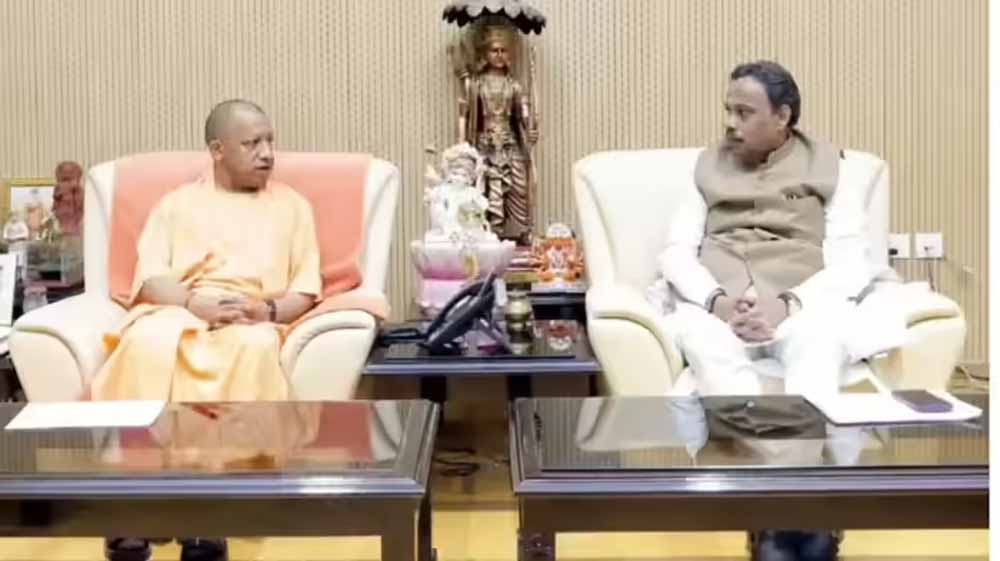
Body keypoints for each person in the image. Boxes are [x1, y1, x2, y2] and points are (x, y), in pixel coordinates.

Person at [656, 60, 869, 561]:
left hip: (798, 301)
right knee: (706, 347)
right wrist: (716, 301)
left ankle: (780, 517)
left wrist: (788, 304)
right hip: (720, 304)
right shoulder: (705, 166)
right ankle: (798, 513)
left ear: (783, 116)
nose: (730, 123)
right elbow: (676, 252)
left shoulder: (833, 166)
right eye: (728, 110)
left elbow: (851, 261)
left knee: (820, 344)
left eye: (744, 112)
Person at [96, 99, 321, 561]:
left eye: (270, 141)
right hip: (182, 308)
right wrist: (192, 303)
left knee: (253, 350)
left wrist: (267, 310)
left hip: (252, 319)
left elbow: (305, 290)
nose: (267, 153)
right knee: (144, 344)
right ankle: (131, 508)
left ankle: (211, 515)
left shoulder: (293, 207)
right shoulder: (176, 205)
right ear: (218, 150)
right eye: (252, 143)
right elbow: (151, 279)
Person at [458, 23, 539, 244]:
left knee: (519, 187)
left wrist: (529, 129)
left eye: (504, 50)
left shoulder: (514, 86)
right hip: (485, 144)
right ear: (485, 54)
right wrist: (463, 145)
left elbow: (521, 116)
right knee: (482, 190)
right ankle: (486, 232)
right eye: (495, 50)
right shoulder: (477, 85)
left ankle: (518, 231)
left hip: (509, 143)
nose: (499, 55)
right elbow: (467, 117)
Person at [51, 160, 84, 236]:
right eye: (64, 180)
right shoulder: (60, 190)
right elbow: (55, 207)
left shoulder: (79, 193)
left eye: (67, 180)